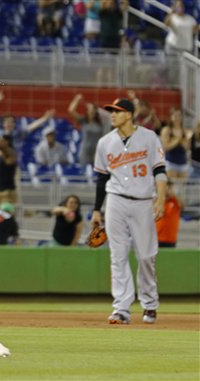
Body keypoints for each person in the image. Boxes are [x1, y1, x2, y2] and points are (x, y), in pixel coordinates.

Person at [91, 98, 167, 325]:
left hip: (143, 201)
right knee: (118, 255)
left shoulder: (149, 137)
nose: (112, 115)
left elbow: (160, 170)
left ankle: (150, 304)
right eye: (111, 112)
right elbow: (101, 178)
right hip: (115, 200)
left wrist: (161, 198)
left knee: (146, 256)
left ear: (130, 114)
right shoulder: (105, 142)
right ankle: (121, 309)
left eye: (117, 111)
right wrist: (97, 210)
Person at [68, 93, 110, 165]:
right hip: (85, 152)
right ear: (87, 111)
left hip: (96, 152)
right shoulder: (84, 121)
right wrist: (77, 99)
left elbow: (110, 117)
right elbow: (70, 110)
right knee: (84, 171)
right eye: (89, 110)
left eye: (93, 110)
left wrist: (98, 109)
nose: (91, 111)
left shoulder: (101, 124)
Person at [160, 108, 189, 181]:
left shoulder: (184, 130)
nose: (177, 118)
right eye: (175, 116)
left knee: (182, 189)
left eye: (179, 116)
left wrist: (185, 143)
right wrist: (177, 140)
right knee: (171, 188)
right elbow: (165, 147)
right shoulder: (166, 130)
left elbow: (187, 148)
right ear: (171, 117)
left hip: (183, 163)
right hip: (171, 162)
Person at [155, 181, 183, 248]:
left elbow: (182, 205)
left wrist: (173, 194)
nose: (166, 190)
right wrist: (161, 195)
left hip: (171, 239)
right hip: (157, 238)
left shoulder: (175, 201)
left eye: (169, 187)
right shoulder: (158, 201)